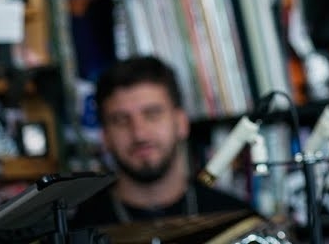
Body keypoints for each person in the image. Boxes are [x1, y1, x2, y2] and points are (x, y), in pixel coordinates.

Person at [70, 56, 253, 228]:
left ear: (181, 123)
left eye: (152, 114)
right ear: (105, 136)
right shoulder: (74, 230)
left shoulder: (235, 220)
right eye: (121, 120)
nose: (139, 134)